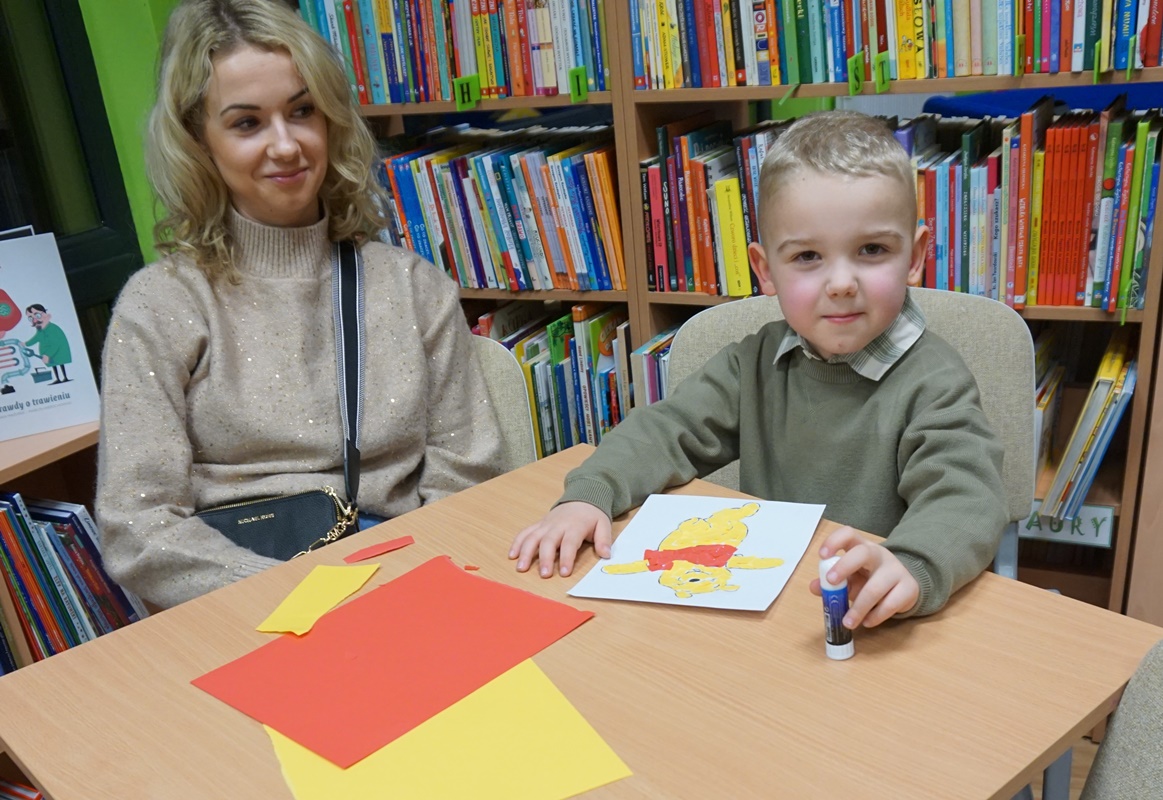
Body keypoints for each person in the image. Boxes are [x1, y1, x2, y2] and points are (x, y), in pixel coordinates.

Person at [510, 111, 1007, 630]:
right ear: (766, 271)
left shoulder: (936, 382)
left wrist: (911, 564)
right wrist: (590, 497)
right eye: (809, 256)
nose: (841, 282)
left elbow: (967, 495)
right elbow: (664, 431)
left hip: (879, 618)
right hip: (769, 609)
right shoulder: (754, 362)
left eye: (872, 250)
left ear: (914, 256)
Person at [96, 0, 503, 609]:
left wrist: (410, 587)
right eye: (246, 123)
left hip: (399, 580)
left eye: (301, 111)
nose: (285, 145)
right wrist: (300, 601)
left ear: (330, 118)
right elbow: (139, 525)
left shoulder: (414, 288)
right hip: (234, 598)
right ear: (198, 140)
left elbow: (467, 478)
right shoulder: (161, 304)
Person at [24, 304, 72, 384]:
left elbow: (55, 343)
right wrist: (26, 344)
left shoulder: (52, 328)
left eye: (37, 315)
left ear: (45, 315)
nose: (34, 320)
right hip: (48, 353)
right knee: (54, 365)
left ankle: (65, 377)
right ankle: (58, 378)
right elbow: (37, 338)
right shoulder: (40, 329)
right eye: (30, 318)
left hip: (58, 352)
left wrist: (48, 355)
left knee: (60, 363)